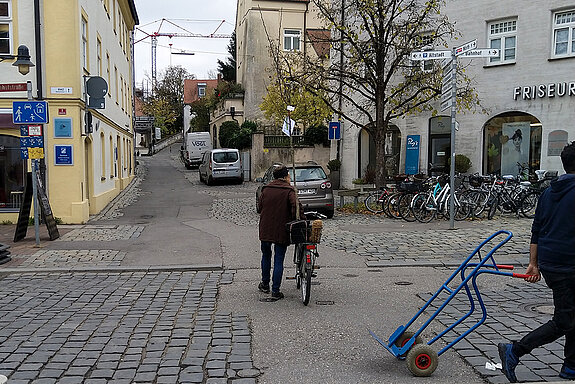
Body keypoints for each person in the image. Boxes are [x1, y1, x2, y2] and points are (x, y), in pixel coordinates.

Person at [498, 141, 575, 383]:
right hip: (568, 266)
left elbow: (537, 230)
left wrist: (534, 263)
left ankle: (571, 366)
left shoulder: (548, 192)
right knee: (564, 320)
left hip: (551, 263)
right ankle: (515, 350)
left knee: (573, 314)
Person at [256, 164, 302, 301]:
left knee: (266, 254)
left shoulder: (265, 189)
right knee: (278, 258)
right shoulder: (289, 190)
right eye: (288, 175)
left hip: (265, 228)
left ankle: (265, 284)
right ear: (285, 176)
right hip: (281, 229)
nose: (289, 177)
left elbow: (260, 207)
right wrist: (298, 219)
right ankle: (275, 290)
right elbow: (295, 208)